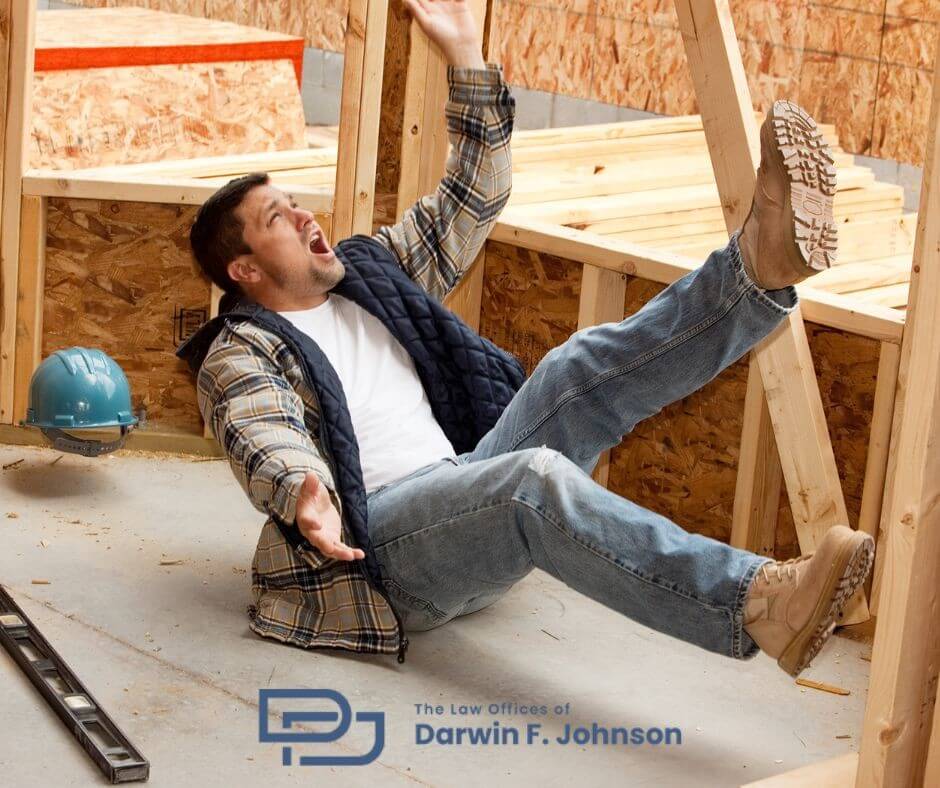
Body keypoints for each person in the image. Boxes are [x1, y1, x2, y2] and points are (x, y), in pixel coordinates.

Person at [179, 0, 873, 677]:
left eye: (296, 201)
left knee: (574, 369)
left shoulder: (371, 273)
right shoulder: (242, 348)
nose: (304, 215)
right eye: (278, 216)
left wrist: (465, 53)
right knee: (530, 478)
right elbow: (258, 424)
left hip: (465, 493)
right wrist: (300, 488)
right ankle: (756, 602)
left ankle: (756, 274)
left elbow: (474, 194)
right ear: (245, 269)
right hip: (383, 552)